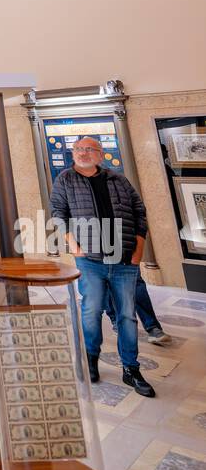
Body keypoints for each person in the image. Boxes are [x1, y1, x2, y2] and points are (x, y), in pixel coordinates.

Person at [50, 135, 155, 397]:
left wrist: (138, 250)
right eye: (78, 149)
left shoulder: (118, 179)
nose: (83, 153)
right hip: (90, 260)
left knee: (127, 316)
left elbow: (139, 212)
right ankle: (91, 357)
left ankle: (131, 368)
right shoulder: (65, 179)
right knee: (91, 310)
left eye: (89, 149)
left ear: (100, 154)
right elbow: (58, 214)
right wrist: (74, 247)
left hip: (124, 260)